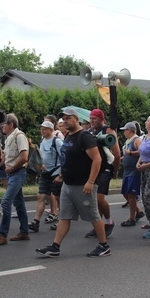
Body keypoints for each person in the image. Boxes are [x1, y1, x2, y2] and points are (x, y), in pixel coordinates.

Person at [36, 108, 110, 258]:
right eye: (63, 119)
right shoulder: (69, 136)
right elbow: (67, 159)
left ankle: (104, 246)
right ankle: (55, 247)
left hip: (83, 185)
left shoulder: (84, 137)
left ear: (76, 119)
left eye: (68, 118)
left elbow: (97, 159)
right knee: (64, 216)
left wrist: (90, 182)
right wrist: (62, 175)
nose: (65, 121)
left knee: (93, 216)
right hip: (68, 184)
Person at [0, 113, 30, 245]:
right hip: (12, 173)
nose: (2, 126)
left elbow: (24, 157)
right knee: (19, 203)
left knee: (6, 202)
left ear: (11, 124)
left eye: (4, 124)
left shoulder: (19, 136)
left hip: (18, 172)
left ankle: (2, 235)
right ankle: (24, 231)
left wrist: (11, 168)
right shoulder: (8, 138)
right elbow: (5, 158)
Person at [84, 108, 121, 239]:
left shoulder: (108, 130)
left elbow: (117, 153)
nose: (91, 120)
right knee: (94, 200)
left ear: (101, 119)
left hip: (106, 167)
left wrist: (115, 171)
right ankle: (98, 226)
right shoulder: (89, 132)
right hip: (94, 168)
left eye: (94, 118)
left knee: (100, 198)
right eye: (90, 118)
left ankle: (108, 222)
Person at [29, 121, 63, 232]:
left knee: (58, 198)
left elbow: (65, 158)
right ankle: (36, 222)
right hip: (45, 173)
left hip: (55, 174)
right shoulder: (43, 140)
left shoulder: (57, 142)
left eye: (44, 129)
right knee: (41, 196)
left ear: (51, 130)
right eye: (41, 129)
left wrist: (61, 175)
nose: (42, 131)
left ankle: (62, 222)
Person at [119, 122, 145, 226]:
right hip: (127, 170)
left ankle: (132, 218)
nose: (124, 132)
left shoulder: (136, 139)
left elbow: (142, 152)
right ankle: (138, 211)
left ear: (129, 130)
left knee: (131, 194)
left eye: (125, 130)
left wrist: (131, 153)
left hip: (133, 171)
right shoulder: (128, 141)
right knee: (125, 192)